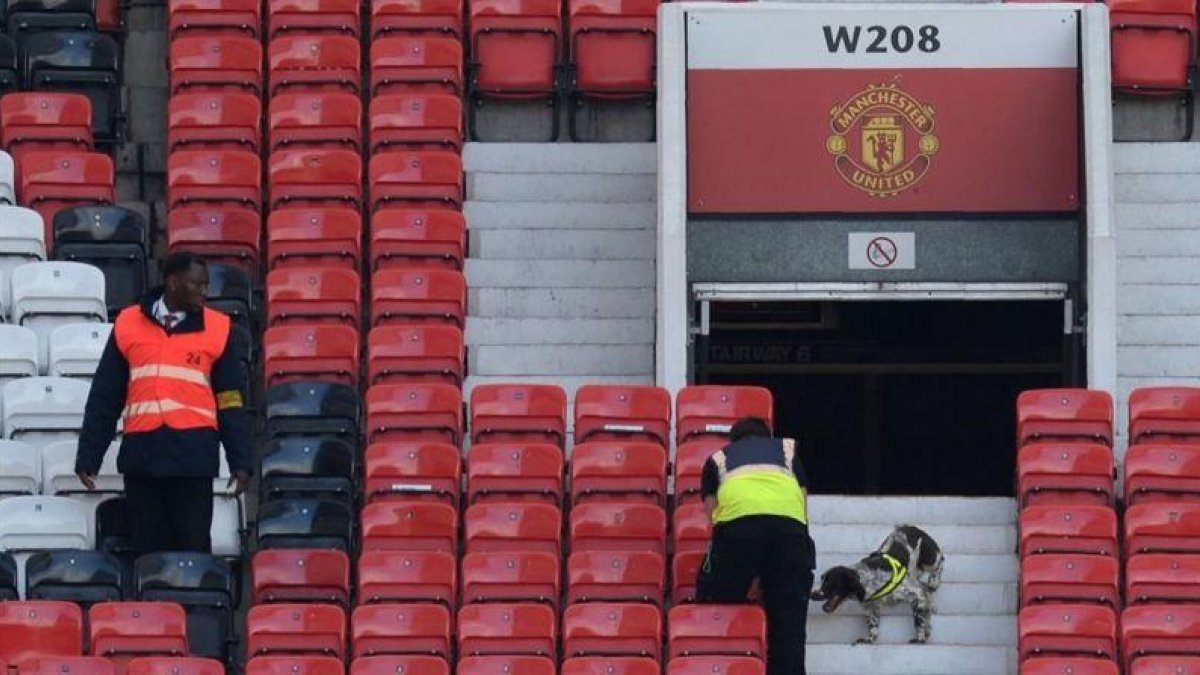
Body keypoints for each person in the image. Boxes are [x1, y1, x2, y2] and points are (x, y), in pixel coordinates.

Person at [74, 251, 252, 554]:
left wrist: (241, 461)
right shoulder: (128, 324)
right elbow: (105, 395)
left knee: (193, 553)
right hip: (144, 458)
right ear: (173, 282)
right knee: (147, 554)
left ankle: (192, 604)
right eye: (197, 284)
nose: (204, 292)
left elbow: (230, 400)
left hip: (192, 460)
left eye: (206, 284)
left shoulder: (219, 329)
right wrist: (89, 454)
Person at [696, 416, 816, 675]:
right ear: (767, 436)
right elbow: (803, 505)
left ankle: (723, 664)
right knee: (789, 621)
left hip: (738, 530)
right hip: (790, 532)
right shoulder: (787, 451)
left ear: (734, 440)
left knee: (714, 596)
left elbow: (712, 514)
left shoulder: (718, 458)